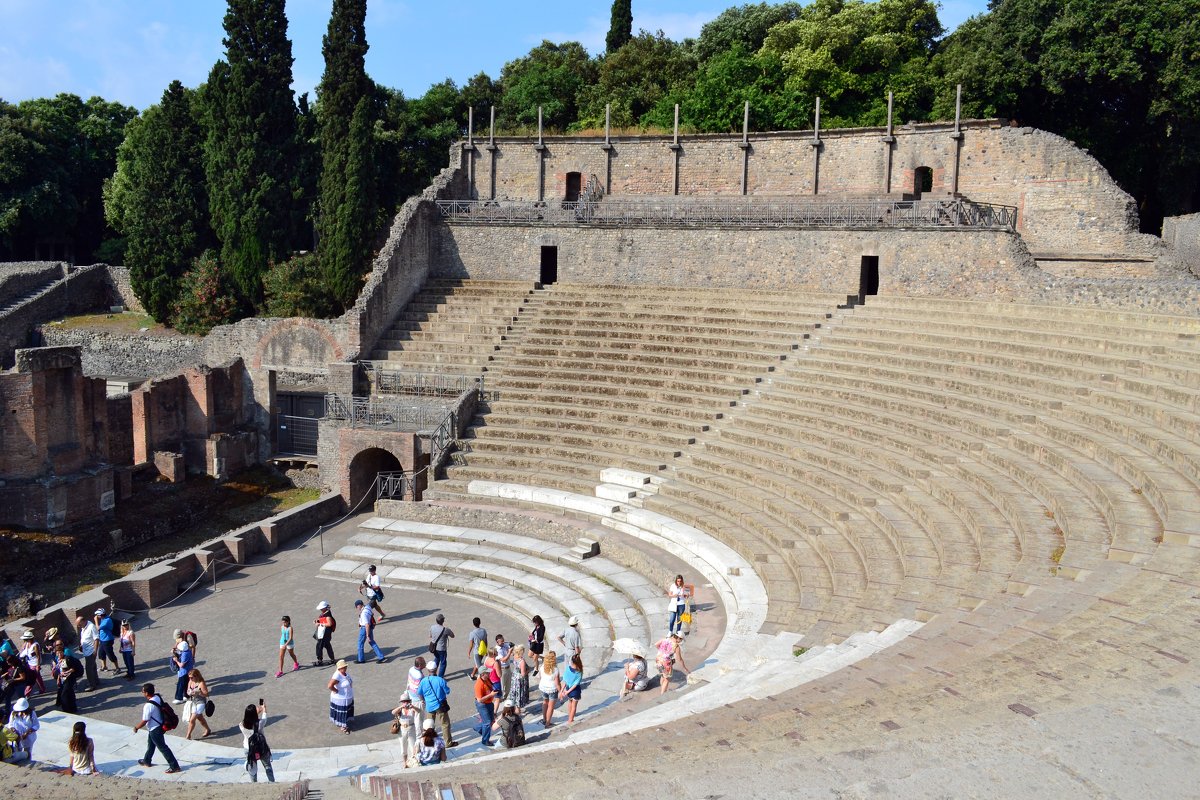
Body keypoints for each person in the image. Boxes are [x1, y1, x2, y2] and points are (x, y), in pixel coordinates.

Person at [133, 682, 181, 774]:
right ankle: (147, 760)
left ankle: (174, 766)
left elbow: (145, 720)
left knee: (163, 747)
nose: (142, 693)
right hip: (159, 726)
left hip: (155, 729)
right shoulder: (157, 697)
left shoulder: (148, 706)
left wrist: (136, 727)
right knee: (151, 744)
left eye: (143, 691)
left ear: (146, 693)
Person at [417, 661, 457, 747]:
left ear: (428, 670)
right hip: (440, 705)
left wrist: (423, 700)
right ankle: (448, 742)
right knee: (445, 724)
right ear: (436, 669)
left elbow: (419, 693)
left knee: (429, 726)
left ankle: (429, 741)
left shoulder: (423, 681)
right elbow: (448, 691)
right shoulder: (440, 680)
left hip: (429, 706)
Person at [240, 700, 274, 782]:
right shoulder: (260, 724)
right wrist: (264, 709)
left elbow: (251, 720)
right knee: (267, 766)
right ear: (255, 714)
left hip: (249, 748)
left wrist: (255, 713)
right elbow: (264, 717)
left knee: (252, 768)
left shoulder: (241, 725)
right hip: (261, 748)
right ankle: (272, 781)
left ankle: (254, 783)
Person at [53, 640, 81, 714]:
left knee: (64, 695)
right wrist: (59, 676)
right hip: (62, 680)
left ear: (63, 652)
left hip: (69, 679)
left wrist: (66, 672)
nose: (59, 654)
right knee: (70, 693)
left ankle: (66, 710)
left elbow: (73, 668)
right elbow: (58, 670)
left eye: (60, 652)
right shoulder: (58, 660)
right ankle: (73, 708)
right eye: (57, 653)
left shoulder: (68, 659)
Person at [390, 694, 418, 767]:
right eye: (403, 702)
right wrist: (401, 706)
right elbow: (393, 712)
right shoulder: (400, 709)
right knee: (403, 747)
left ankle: (413, 761)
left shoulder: (412, 709)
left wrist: (413, 706)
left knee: (413, 746)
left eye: (406, 701)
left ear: (409, 701)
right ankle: (405, 762)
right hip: (402, 729)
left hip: (411, 728)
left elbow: (419, 711)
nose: (405, 703)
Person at [354, 599, 386, 664]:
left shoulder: (363, 613)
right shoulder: (367, 607)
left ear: (359, 605)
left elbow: (367, 625)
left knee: (360, 644)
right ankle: (381, 657)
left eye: (357, 607)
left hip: (364, 629)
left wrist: (367, 635)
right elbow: (372, 613)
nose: (357, 608)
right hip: (370, 627)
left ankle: (361, 659)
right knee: (372, 642)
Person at [7, 697, 38, 761]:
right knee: (17, 752)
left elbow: (36, 725)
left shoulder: (32, 714)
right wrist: (14, 731)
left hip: (29, 738)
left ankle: (28, 762)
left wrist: (27, 733)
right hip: (17, 737)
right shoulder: (13, 713)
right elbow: (10, 724)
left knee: (27, 752)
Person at [183, 668, 211, 739]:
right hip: (193, 701)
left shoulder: (201, 683)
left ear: (196, 676)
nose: (190, 679)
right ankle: (208, 729)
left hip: (200, 702)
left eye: (192, 677)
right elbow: (187, 691)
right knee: (200, 718)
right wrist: (189, 693)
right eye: (189, 677)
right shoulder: (190, 682)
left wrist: (200, 693)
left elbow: (206, 694)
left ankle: (188, 735)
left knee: (192, 719)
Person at [328, 659, 354, 734]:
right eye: (343, 667)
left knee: (345, 712)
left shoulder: (344, 673)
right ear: (339, 668)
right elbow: (330, 686)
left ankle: (342, 722)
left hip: (347, 696)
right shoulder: (337, 675)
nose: (345, 668)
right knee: (343, 712)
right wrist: (335, 691)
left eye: (345, 666)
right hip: (341, 698)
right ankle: (344, 727)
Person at [537, 651, 562, 728]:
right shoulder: (555, 670)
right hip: (552, 689)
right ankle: (548, 723)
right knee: (550, 706)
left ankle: (544, 719)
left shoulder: (542, 667)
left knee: (545, 703)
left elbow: (540, 677)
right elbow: (557, 683)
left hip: (543, 687)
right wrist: (561, 691)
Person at [75, 614, 99, 692]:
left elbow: (96, 639)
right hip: (86, 651)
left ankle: (92, 685)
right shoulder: (84, 627)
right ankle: (96, 681)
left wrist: (95, 650)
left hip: (91, 651)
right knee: (93, 667)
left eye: (79, 624)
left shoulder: (91, 627)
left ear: (83, 621)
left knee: (88, 669)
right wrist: (82, 645)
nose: (78, 626)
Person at [473, 671, 496, 747]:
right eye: (487, 673)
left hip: (489, 703)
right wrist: (491, 695)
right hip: (482, 705)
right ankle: (485, 740)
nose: (489, 674)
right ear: (483, 674)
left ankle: (478, 728)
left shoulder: (487, 679)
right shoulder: (478, 685)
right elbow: (479, 700)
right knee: (487, 723)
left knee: (491, 720)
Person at [17, 631, 45, 695]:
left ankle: (27, 692)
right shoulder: (27, 644)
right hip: (30, 663)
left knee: (33, 678)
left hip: (35, 664)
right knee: (37, 678)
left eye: (26, 639)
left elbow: (38, 656)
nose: (25, 640)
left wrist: (38, 665)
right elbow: (24, 652)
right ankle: (42, 689)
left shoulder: (35, 645)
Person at [559, 653, 583, 724]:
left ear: (572, 661)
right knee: (574, 706)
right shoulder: (579, 672)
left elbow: (565, 681)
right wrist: (567, 691)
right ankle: (570, 720)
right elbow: (575, 684)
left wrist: (562, 690)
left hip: (568, 688)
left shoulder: (568, 668)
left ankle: (570, 716)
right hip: (575, 691)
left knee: (570, 702)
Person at [94, 608, 117, 674]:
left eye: (97, 615)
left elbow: (98, 628)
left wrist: (95, 620)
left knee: (110, 655)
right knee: (101, 654)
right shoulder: (103, 618)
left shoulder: (107, 620)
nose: (96, 616)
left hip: (107, 640)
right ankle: (104, 666)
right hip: (102, 639)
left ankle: (117, 668)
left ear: (100, 615)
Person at [171, 637, 193, 703]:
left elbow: (181, 665)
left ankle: (178, 698)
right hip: (188, 671)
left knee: (180, 685)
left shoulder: (185, 655)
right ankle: (186, 696)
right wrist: (175, 651)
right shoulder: (188, 651)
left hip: (184, 672)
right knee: (186, 684)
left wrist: (176, 660)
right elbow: (180, 652)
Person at [313, 601, 336, 667]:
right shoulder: (325, 613)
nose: (320, 609)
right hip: (325, 633)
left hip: (324, 633)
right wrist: (317, 621)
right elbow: (323, 620)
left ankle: (320, 661)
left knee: (319, 646)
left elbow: (329, 624)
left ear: (325, 608)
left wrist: (319, 624)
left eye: (321, 608)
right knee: (327, 645)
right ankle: (332, 659)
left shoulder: (327, 615)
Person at [508, 644, 530, 710]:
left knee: (515, 693)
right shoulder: (521, 661)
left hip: (515, 676)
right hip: (520, 679)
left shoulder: (515, 656)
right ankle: (518, 709)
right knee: (520, 693)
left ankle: (515, 707)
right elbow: (523, 674)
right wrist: (528, 671)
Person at [495, 634, 513, 701]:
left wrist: (510, 646)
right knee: (502, 686)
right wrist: (509, 652)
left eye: (503, 641)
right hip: (502, 669)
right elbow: (503, 659)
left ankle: (506, 697)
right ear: (497, 642)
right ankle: (501, 699)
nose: (503, 642)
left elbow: (511, 644)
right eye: (501, 641)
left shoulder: (504, 645)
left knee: (508, 685)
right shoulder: (497, 650)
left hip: (508, 668)